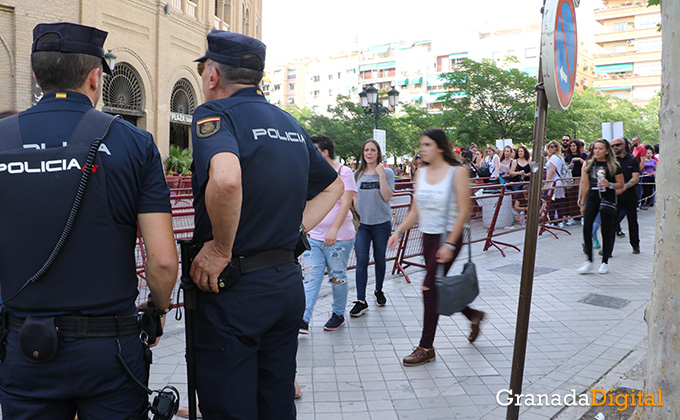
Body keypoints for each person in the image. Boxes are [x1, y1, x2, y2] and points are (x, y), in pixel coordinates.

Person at [0, 22, 178, 419]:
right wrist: (158, 309)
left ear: (35, 75)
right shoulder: (134, 143)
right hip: (110, 351)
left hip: (24, 345)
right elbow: (164, 261)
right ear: (95, 77)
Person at [188, 30, 343, 419]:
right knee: (275, 402)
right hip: (285, 283)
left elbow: (226, 179)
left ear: (211, 76)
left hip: (235, 291)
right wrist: (296, 228)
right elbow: (334, 185)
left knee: (229, 407)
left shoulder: (215, 114)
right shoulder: (288, 123)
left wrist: (221, 248)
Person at [387, 128, 485, 366]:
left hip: (448, 237)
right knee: (435, 286)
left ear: (440, 147)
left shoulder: (457, 172)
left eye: (427, 145)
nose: (422, 149)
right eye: (421, 145)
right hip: (427, 237)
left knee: (428, 288)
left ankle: (426, 347)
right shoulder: (421, 173)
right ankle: (472, 315)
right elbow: (417, 209)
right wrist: (398, 231)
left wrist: (450, 243)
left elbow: (465, 211)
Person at [299, 135, 357, 333]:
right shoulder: (310, 172)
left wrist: (334, 230)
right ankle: (303, 318)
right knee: (311, 276)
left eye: (314, 150)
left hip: (339, 237)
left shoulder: (344, 172)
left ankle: (338, 313)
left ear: (325, 152)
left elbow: (346, 203)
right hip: (313, 235)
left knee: (337, 276)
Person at [351, 139, 395, 316]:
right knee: (361, 260)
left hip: (381, 224)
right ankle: (361, 300)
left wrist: (381, 175)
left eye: (373, 150)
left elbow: (387, 197)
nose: (369, 153)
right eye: (366, 150)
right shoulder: (356, 175)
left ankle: (379, 290)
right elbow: (352, 198)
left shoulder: (388, 173)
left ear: (378, 153)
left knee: (379, 258)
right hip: (362, 226)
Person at [577, 139, 624, 275]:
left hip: (607, 197)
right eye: (595, 148)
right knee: (587, 227)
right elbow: (585, 184)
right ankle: (589, 260)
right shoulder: (589, 163)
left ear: (607, 151)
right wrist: (582, 202)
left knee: (606, 230)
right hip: (592, 197)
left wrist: (609, 184)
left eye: (600, 148)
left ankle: (604, 262)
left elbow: (621, 184)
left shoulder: (614, 165)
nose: (597, 151)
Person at [611, 137, 640, 254]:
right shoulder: (612, 161)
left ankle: (635, 245)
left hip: (630, 195)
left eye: (617, 145)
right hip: (615, 195)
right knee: (612, 222)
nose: (615, 147)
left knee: (632, 220)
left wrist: (625, 187)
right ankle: (608, 249)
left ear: (624, 145)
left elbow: (635, 177)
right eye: (613, 145)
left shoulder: (632, 160)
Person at [543, 140, 567, 226]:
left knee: (551, 201)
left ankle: (552, 221)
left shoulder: (553, 158)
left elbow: (552, 171)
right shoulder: (560, 157)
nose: (550, 148)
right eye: (549, 146)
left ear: (556, 148)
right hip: (559, 181)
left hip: (553, 182)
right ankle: (560, 220)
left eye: (552, 146)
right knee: (559, 201)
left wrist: (546, 183)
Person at [639, 145, 657, 209]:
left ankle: (648, 203)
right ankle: (642, 203)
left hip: (652, 177)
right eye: (648, 153)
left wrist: (654, 173)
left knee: (650, 190)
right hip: (645, 176)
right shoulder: (644, 161)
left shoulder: (654, 161)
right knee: (645, 191)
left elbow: (656, 169)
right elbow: (642, 168)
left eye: (650, 153)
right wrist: (645, 173)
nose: (649, 154)